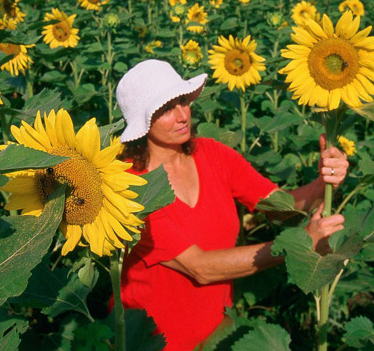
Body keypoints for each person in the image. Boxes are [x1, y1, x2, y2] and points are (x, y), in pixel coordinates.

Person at [115, 59, 348, 351]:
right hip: (153, 341)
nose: (182, 115)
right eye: (165, 109)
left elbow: (279, 205)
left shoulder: (212, 155)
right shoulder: (130, 186)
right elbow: (200, 267)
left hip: (218, 333)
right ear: (142, 122)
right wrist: (299, 245)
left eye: (183, 101)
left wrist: (324, 182)